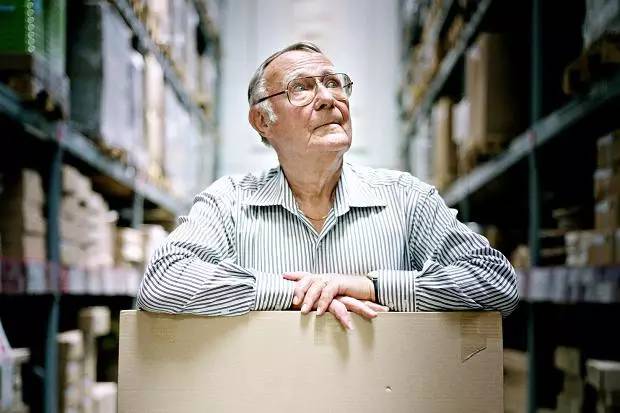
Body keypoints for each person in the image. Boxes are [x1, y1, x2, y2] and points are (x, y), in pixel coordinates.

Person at [137, 42, 519, 329]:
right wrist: (290, 292)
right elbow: (162, 283)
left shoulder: (406, 198)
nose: (327, 98)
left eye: (334, 83)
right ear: (262, 121)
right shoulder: (229, 202)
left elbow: (496, 282)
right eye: (301, 88)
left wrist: (371, 286)